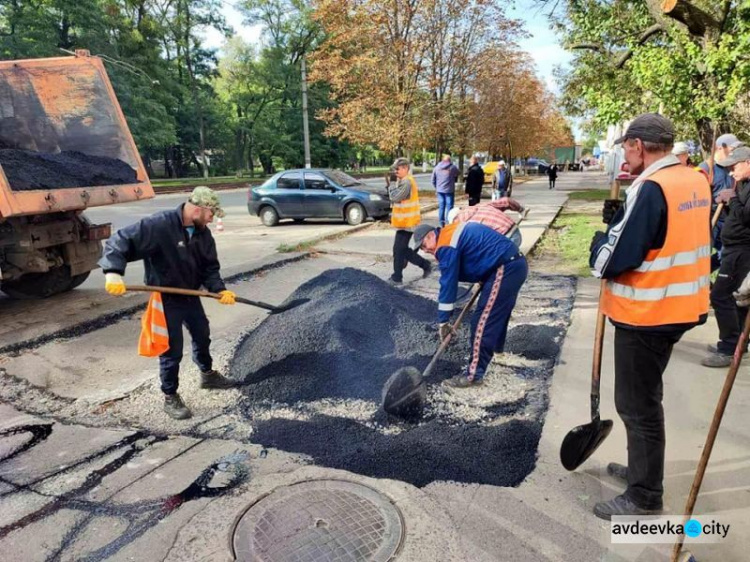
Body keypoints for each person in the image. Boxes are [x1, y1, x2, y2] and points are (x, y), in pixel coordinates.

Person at [589, 113, 711, 520]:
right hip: (681, 307)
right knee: (645, 398)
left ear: (638, 145)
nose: (625, 156)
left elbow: (615, 259)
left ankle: (644, 495)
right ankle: (641, 471)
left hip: (647, 312)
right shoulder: (693, 180)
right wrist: (621, 220)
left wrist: (600, 240)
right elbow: (664, 234)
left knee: (637, 405)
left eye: (626, 147)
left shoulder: (652, 187)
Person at [99, 187, 238, 420]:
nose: (214, 218)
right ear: (197, 208)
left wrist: (220, 290)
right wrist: (113, 272)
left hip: (191, 295)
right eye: (211, 212)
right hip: (166, 299)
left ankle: (208, 375)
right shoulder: (160, 225)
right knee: (171, 349)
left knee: (202, 334)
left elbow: (210, 268)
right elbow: (120, 240)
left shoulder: (203, 234)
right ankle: (170, 396)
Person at [410, 220, 527, 387]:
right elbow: (475, 253)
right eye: (421, 249)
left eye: (423, 245)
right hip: (511, 265)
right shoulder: (448, 235)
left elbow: (448, 284)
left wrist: (444, 320)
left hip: (505, 267)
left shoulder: (445, 244)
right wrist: (483, 275)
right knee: (498, 313)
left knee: (482, 321)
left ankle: (473, 376)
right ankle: (496, 350)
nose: (425, 250)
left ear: (430, 235)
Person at [701, 146, 750, 368]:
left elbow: (747, 217)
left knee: (721, 295)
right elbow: (738, 215)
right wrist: (729, 201)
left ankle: (729, 348)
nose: (731, 172)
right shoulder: (743, 185)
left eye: (735, 166)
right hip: (733, 247)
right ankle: (739, 344)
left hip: (742, 250)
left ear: (748, 162)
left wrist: (734, 199)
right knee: (738, 299)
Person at [699, 133, 743, 272]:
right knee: (703, 256)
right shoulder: (704, 170)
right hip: (709, 220)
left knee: (726, 253)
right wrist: (715, 200)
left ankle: (709, 279)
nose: (733, 152)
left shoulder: (729, 168)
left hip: (726, 219)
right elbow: (697, 200)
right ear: (720, 148)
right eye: (731, 148)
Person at [388, 157, 432, 284]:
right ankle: (425, 265)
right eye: (394, 169)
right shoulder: (405, 180)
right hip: (406, 222)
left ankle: (397, 277)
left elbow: (394, 197)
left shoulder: (407, 182)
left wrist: (391, 184)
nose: (395, 171)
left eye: (397, 169)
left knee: (398, 249)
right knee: (402, 249)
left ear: (405, 168)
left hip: (407, 222)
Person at [432, 154, 459, 226]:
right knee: (449, 207)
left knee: (441, 207)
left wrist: (437, 187)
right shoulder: (452, 167)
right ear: (449, 160)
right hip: (449, 191)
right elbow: (457, 173)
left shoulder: (437, 167)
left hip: (440, 191)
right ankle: (448, 223)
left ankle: (441, 223)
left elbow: (433, 180)